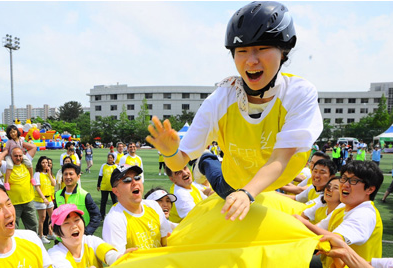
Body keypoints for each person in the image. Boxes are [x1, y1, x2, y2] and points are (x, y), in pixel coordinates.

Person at [147, 1, 322, 222]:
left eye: (262, 48)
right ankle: (207, 160)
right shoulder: (220, 99)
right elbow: (178, 163)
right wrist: (170, 152)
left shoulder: (299, 93)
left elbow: (280, 157)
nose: (251, 60)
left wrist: (248, 193)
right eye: (242, 51)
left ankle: (208, 160)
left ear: (284, 52)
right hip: (231, 182)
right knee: (213, 172)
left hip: (256, 186)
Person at [102, 165, 173, 253]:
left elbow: (166, 242)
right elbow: (118, 261)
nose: (134, 182)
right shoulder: (114, 220)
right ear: (116, 191)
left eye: (137, 177)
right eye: (127, 180)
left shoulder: (153, 206)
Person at [47, 204, 122, 268]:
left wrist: (124, 258)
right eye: (66, 223)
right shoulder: (55, 253)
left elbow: (110, 255)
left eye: (77, 220)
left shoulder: (92, 241)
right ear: (56, 233)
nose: (74, 225)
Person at [54, 163, 101, 235]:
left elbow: (96, 216)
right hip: (63, 237)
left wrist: (86, 232)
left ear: (78, 177)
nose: (68, 177)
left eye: (71, 174)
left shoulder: (84, 195)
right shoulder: (57, 194)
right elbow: (55, 214)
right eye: (65, 174)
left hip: (79, 237)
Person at [2, 126, 35, 191]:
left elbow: (23, 146)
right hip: (10, 155)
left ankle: (32, 177)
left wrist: (24, 152)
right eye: (11, 133)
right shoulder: (9, 141)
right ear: (9, 134)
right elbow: (6, 150)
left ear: (17, 131)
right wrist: (4, 157)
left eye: (14, 132)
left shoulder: (21, 139)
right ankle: (6, 182)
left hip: (20, 154)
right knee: (10, 165)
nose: (13, 134)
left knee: (29, 163)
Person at [32, 156, 55, 244]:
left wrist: (49, 174)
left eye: (47, 163)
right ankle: (41, 235)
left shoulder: (49, 174)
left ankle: (50, 232)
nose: (45, 164)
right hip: (41, 199)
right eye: (43, 163)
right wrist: (44, 198)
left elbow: (53, 184)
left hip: (49, 198)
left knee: (52, 216)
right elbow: (37, 187)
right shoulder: (37, 174)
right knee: (42, 218)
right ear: (40, 164)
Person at [97, 153, 118, 218]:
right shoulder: (103, 165)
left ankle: (116, 215)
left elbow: (118, 177)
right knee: (103, 202)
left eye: (111, 158)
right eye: (108, 157)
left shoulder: (116, 167)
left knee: (115, 201)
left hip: (113, 187)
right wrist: (98, 185)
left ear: (113, 159)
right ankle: (102, 215)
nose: (109, 159)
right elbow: (100, 176)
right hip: (104, 187)